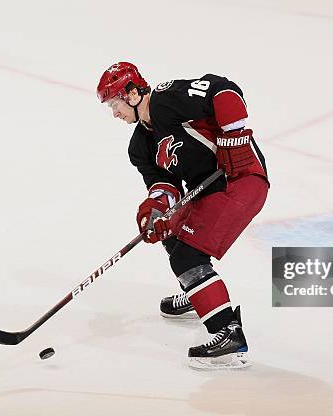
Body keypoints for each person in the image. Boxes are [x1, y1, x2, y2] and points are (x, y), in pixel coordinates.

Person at [96, 62, 269, 368]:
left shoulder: (166, 99)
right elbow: (163, 186)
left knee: (186, 258)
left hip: (239, 180)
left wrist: (234, 136)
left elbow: (223, 89)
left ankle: (228, 334)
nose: (114, 112)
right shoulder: (139, 145)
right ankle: (200, 292)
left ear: (133, 94)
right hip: (208, 188)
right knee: (170, 228)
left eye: (115, 103)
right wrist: (156, 211)